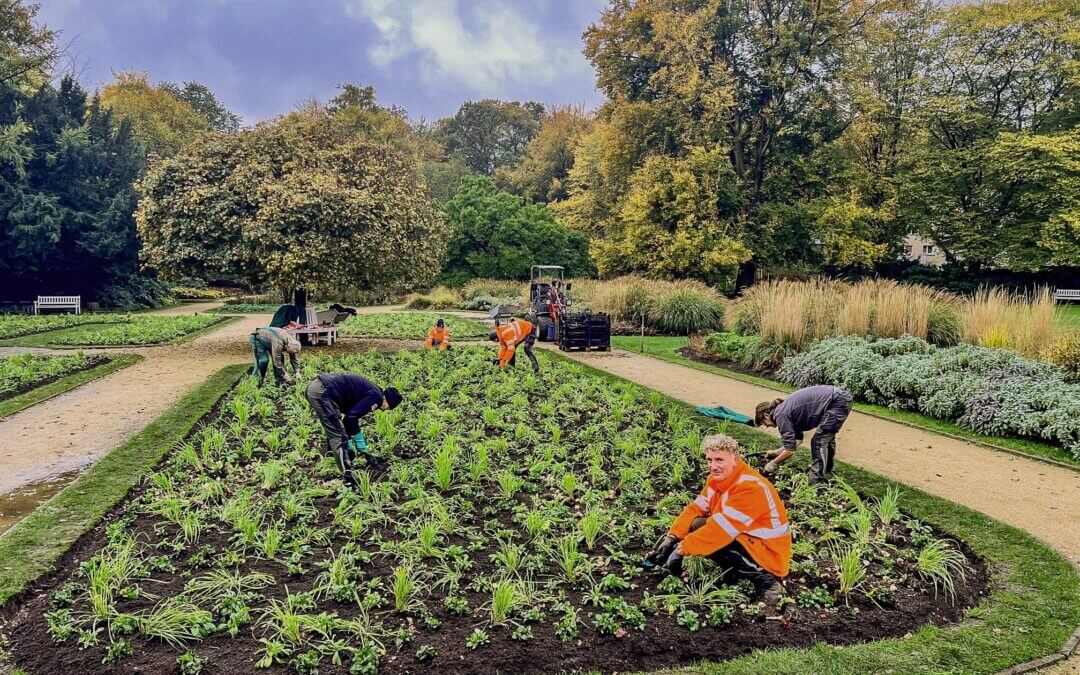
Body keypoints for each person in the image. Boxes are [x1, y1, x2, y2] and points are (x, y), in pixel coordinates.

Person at [645, 434, 789, 604]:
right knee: (697, 524)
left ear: (735, 459)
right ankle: (736, 568)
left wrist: (682, 549)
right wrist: (672, 537)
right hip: (750, 540)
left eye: (719, 460)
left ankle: (768, 582)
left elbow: (720, 531)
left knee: (717, 537)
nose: (713, 466)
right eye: (709, 460)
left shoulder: (749, 487)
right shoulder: (717, 481)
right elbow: (695, 509)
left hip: (770, 552)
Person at [304, 373, 403, 487]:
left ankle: (332, 455)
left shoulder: (374, 391)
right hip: (323, 391)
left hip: (317, 387)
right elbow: (351, 418)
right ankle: (348, 477)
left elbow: (348, 419)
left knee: (335, 426)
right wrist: (360, 445)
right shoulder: (376, 398)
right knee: (338, 436)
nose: (384, 411)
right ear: (387, 401)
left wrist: (351, 441)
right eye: (388, 408)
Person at [755, 384, 853, 484]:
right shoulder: (784, 411)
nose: (766, 426)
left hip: (836, 402)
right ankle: (827, 469)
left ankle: (815, 480)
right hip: (838, 398)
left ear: (766, 415)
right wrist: (776, 453)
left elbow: (790, 451)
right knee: (826, 438)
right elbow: (797, 441)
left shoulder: (780, 415)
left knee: (819, 441)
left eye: (763, 423)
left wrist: (773, 464)